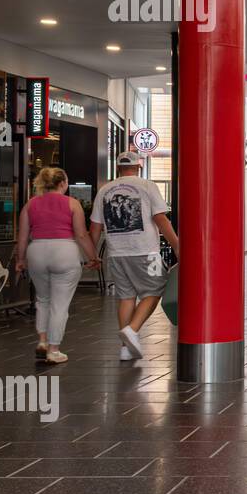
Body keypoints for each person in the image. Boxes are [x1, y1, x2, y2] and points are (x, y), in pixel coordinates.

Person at [89, 152, 180, 361]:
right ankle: (133, 329)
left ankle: (126, 349)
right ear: (138, 166)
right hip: (146, 251)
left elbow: (94, 227)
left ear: (118, 168)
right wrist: (176, 245)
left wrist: (93, 254)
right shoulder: (147, 186)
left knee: (126, 297)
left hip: (116, 253)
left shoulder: (104, 190)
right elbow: (160, 219)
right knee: (155, 289)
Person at [12, 167, 102, 365]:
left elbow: (22, 236)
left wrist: (20, 260)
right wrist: (93, 257)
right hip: (64, 251)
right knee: (59, 304)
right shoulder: (72, 203)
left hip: (37, 252)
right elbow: (80, 234)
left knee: (43, 299)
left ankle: (43, 341)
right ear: (62, 183)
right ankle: (54, 349)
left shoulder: (30, 205)